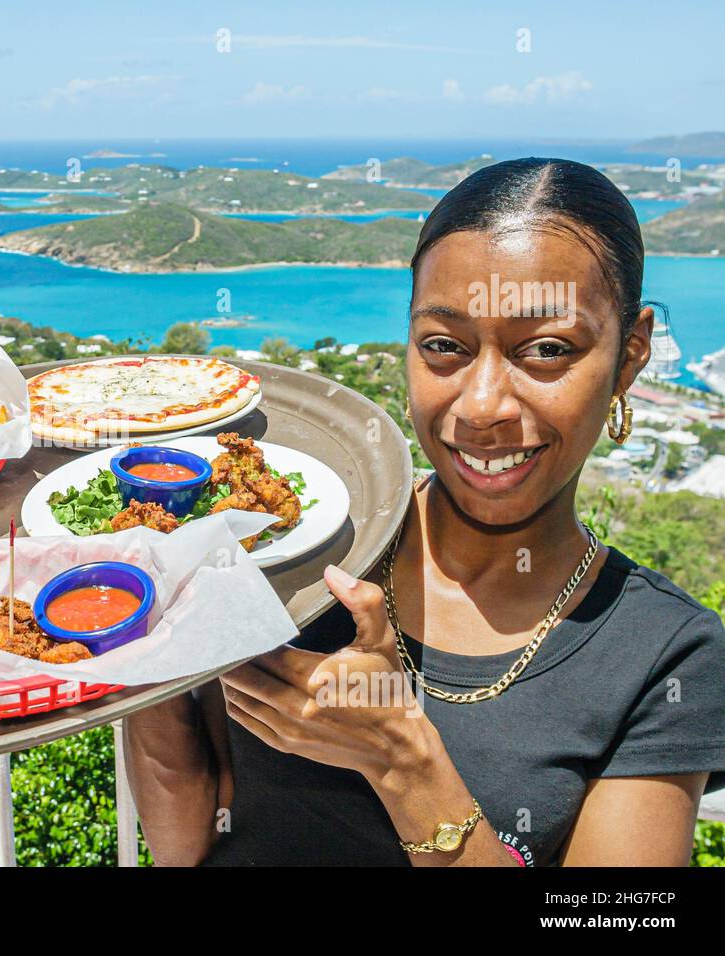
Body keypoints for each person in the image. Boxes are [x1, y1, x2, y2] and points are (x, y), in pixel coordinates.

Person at [124, 157, 725, 866]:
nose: (480, 406)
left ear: (630, 354)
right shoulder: (294, 554)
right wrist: (146, 594)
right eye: (444, 346)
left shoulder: (664, 654)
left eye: (547, 351)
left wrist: (401, 759)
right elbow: (187, 841)